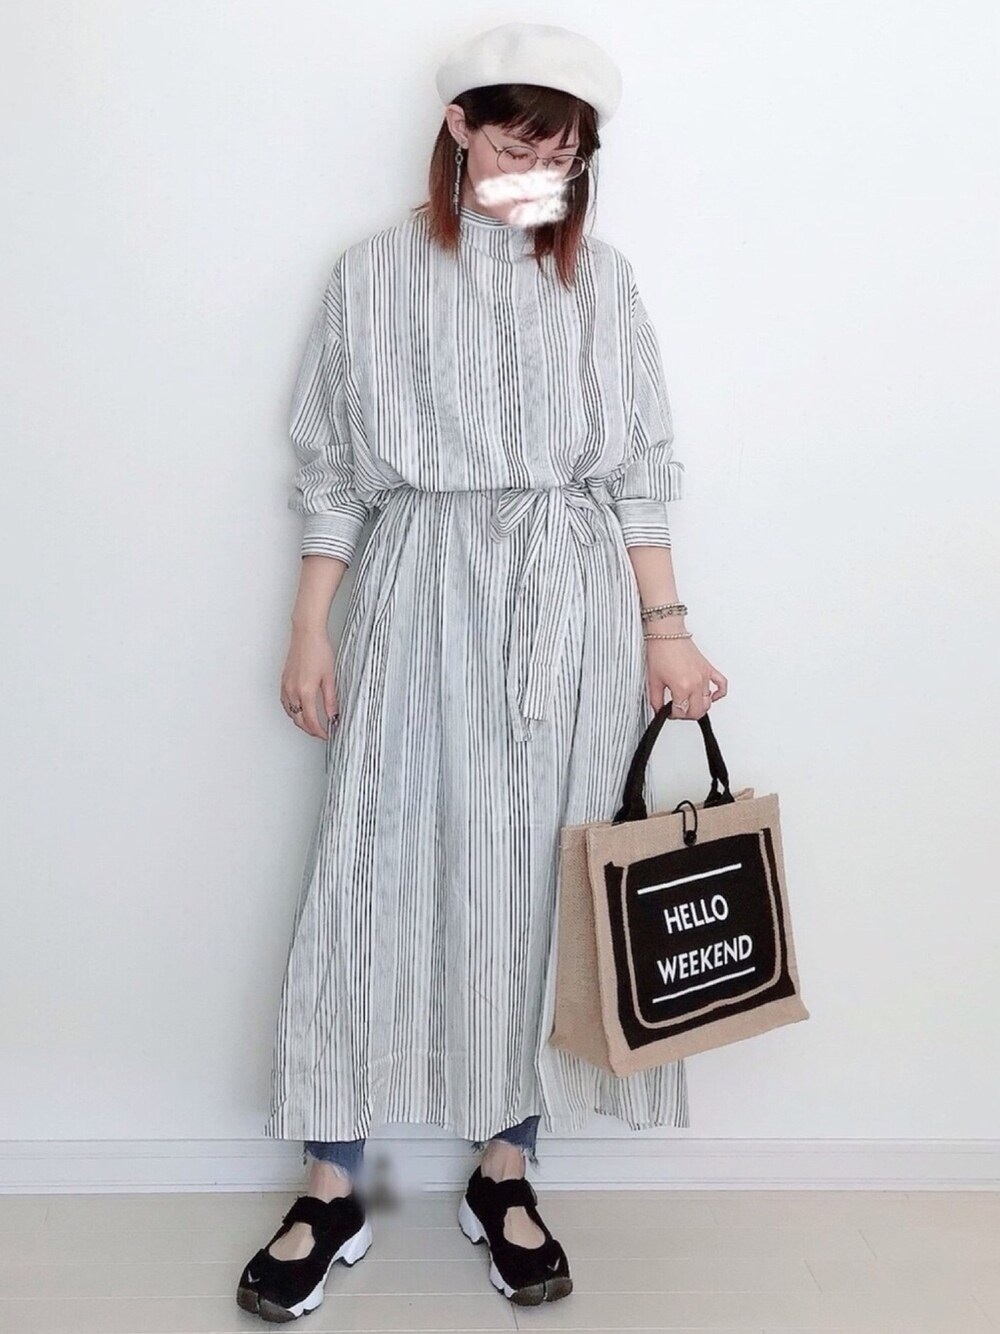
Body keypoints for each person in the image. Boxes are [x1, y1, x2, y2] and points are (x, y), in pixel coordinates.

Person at [237, 20, 727, 1325]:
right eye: (517, 146)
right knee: (369, 874)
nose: (538, 177)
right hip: (414, 596)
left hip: (565, 610)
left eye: (563, 158)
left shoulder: (603, 283)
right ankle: (332, 1184)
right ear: (458, 127)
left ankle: (505, 1171)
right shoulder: (370, 276)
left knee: (535, 886)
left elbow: (640, 471)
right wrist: (309, 626)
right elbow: (331, 469)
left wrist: (667, 629)